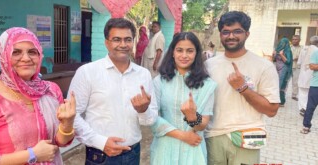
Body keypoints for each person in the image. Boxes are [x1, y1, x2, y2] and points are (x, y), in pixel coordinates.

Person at [0, 27, 76, 164]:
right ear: (4, 56)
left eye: (32, 52)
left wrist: (67, 124)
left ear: (40, 56)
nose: (26, 58)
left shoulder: (50, 91)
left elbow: (59, 142)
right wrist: (32, 155)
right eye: (16, 52)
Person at [68, 18, 158, 165]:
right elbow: (72, 116)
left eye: (128, 39)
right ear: (106, 42)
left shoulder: (143, 74)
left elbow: (150, 119)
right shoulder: (87, 72)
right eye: (117, 39)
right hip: (99, 155)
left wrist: (143, 110)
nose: (123, 45)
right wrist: (100, 142)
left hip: (133, 153)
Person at [205, 11, 280, 165]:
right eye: (226, 32)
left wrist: (243, 89)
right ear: (220, 35)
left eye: (237, 31)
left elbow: (272, 110)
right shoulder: (208, 66)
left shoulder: (264, 66)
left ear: (247, 34)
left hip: (248, 135)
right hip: (213, 136)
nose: (231, 36)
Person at [150, 32, 216, 165]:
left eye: (190, 51)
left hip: (193, 149)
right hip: (165, 148)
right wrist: (182, 136)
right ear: (172, 53)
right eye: (179, 50)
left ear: (196, 54)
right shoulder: (160, 81)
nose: (184, 55)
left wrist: (193, 117)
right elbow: (152, 119)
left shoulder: (206, 84)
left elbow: (203, 124)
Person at [297, 36, 318, 116]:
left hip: (303, 73)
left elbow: (299, 62)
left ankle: (302, 108)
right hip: (312, 75)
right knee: (309, 93)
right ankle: (306, 108)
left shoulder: (304, 49)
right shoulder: (316, 50)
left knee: (302, 92)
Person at [301, 39, 318, 134]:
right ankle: (306, 126)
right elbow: (312, 66)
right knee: (311, 107)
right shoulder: (316, 52)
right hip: (316, 85)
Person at [273, 37, 293, 107]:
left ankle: (278, 101)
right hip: (277, 68)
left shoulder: (288, 51)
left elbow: (288, 61)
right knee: (276, 84)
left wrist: (281, 55)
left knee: (280, 85)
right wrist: (274, 54)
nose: (282, 44)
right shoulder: (277, 49)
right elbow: (274, 60)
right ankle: (280, 101)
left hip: (284, 69)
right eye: (281, 42)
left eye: (284, 43)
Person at [290, 35, 303, 101]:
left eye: (296, 39)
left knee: (295, 82)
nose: (294, 40)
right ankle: (281, 94)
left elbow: (303, 57)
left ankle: (294, 95)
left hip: (297, 67)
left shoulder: (302, 48)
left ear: (299, 40)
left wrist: (298, 58)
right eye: (293, 39)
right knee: (285, 81)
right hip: (288, 67)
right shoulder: (289, 47)